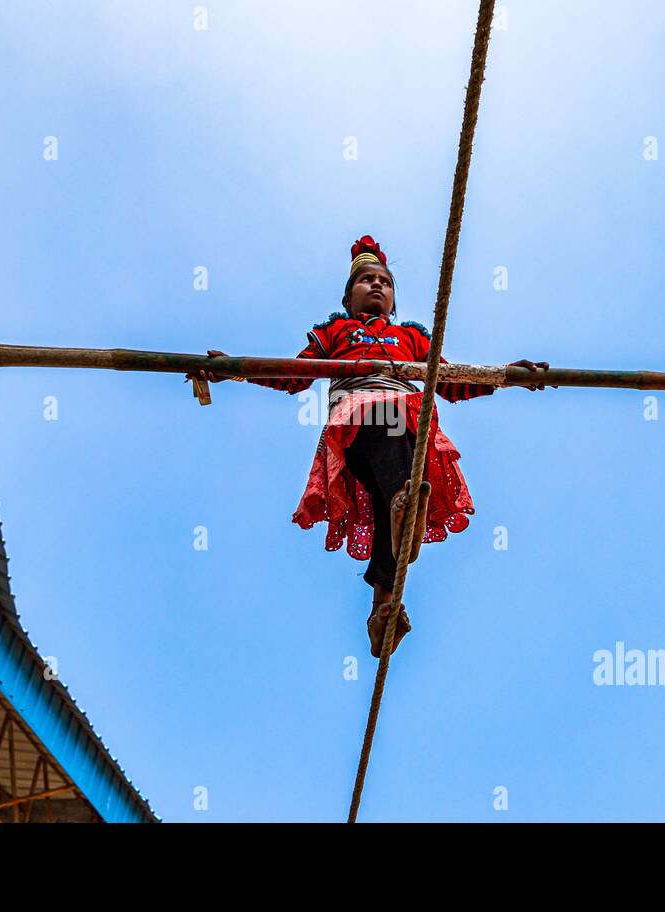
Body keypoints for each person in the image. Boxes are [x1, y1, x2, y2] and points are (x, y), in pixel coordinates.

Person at [189, 235, 548, 657]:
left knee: (388, 508)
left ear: (393, 300)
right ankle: (404, 504)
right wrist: (234, 370)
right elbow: (293, 375)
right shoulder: (336, 331)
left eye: (384, 281)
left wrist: (506, 375)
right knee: (393, 452)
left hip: (407, 426)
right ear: (349, 296)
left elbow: (451, 382)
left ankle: (383, 611)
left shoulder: (413, 338)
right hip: (356, 423)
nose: (376, 286)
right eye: (365, 280)